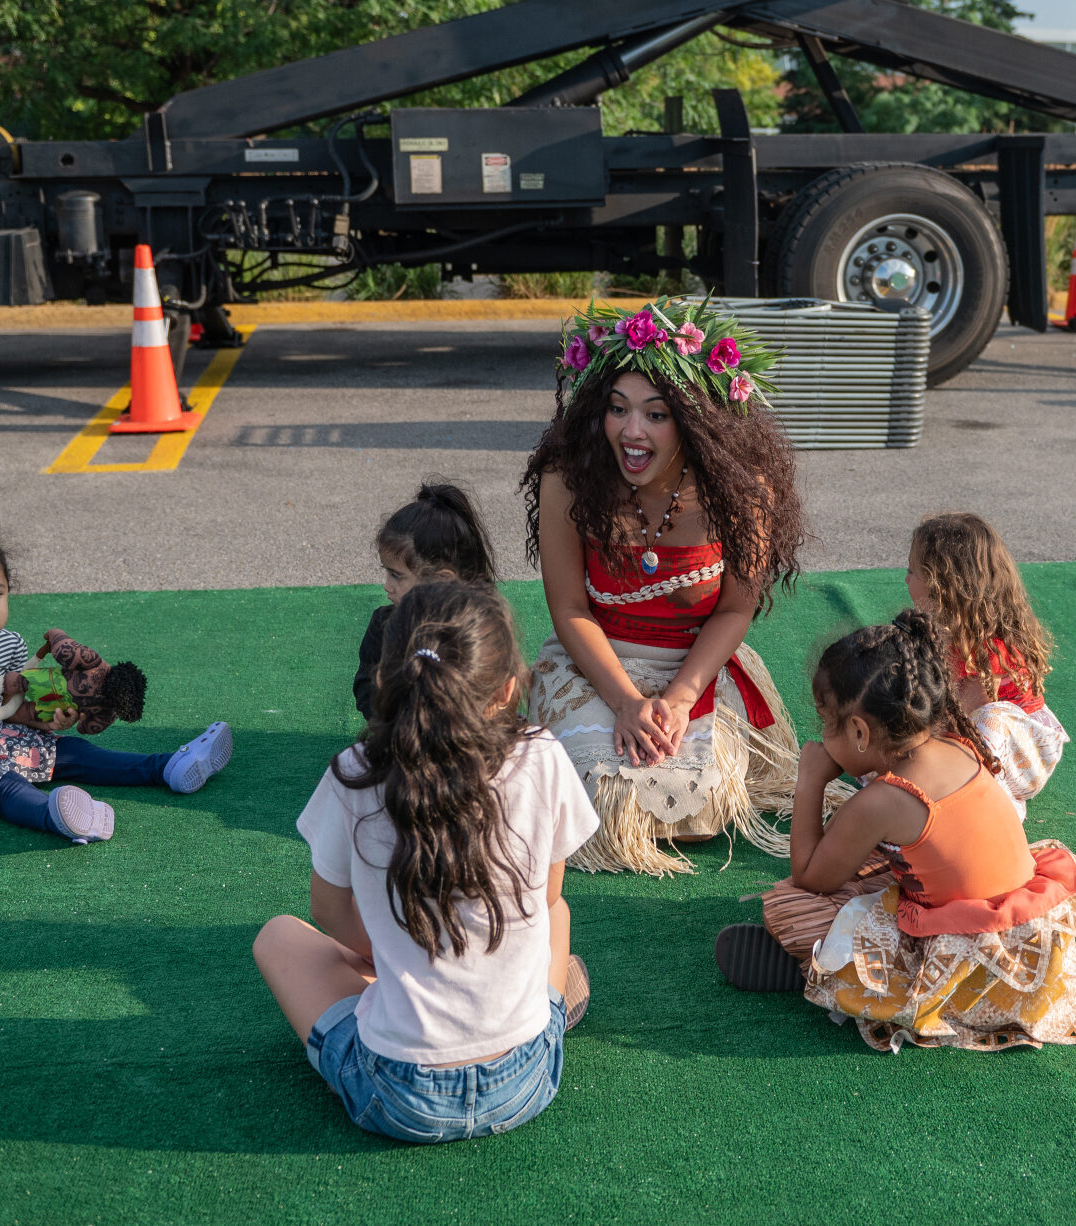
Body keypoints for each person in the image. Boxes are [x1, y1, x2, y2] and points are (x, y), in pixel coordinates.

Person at [255, 581, 597, 1143]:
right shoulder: (541, 753)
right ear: (507, 689)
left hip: (400, 1096)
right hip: (528, 1080)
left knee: (277, 937)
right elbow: (548, 896)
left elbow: (327, 910)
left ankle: (400, 980)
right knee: (556, 918)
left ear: (386, 678)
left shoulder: (355, 771)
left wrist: (388, 955)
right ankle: (549, 1006)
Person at [715, 611, 1076, 1053]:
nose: (822, 738)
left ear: (861, 731)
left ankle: (824, 970)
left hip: (970, 967)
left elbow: (809, 876)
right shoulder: (956, 743)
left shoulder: (884, 800)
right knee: (871, 865)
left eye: (827, 724)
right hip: (1029, 941)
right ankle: (828, 963)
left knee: (791, 906)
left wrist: (810, 781)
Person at [520, 296, 843, 875]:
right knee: (605, 791)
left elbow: (733, 612)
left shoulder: (743, 492)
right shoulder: (566, 480)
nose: (632, 431)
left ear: (696, 422)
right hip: (597, 662)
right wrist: (623, 702)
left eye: (656, 414)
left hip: (695, 666)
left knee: (698, 804)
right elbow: (569, 609)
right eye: (617, 409)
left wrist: (678, 698)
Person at [0, 534, 232, 843]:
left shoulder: (8, 643)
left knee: (73, 751)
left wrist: (46, 720)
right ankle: (58, 816)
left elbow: (13, 703)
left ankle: (168, 767)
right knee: (5, 785)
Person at [908, 512, 1068, 817]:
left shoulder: (986, 647)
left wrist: (919, 753)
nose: (906, 579)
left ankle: (997, 806)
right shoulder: (941, 629)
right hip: (980, 737)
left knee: (990, 716)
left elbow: (968, 723)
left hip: (1025, 753)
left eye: (912, 572)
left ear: (942, 585)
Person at [354, 482, 497, 721]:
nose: (386, 585)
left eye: (397, 575)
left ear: (441, 581)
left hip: (464, 737)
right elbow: (364, 690)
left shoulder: (478, 630)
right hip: (400, 737)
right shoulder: (383, 625)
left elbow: (491, 694)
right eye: (387, 572)